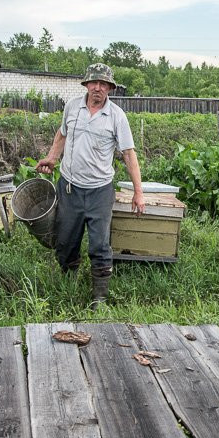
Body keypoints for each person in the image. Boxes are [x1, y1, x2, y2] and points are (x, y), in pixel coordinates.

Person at [37, 63, 145, 307]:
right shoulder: (72, 107)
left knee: (99, 243)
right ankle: (68, 281)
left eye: (103, 84)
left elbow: (129, 154)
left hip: (99, 191)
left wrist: (138, 192)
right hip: (69, 187)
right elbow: (62, 134)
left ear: (110, 88)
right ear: (86, 84)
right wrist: (52, 158)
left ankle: (99, 297)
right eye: (94, 82)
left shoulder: (117, 116)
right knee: (65, 241)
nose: (98, 88)